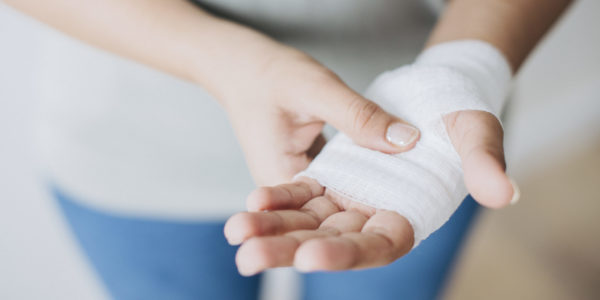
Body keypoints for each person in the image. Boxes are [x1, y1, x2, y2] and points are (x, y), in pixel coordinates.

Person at [3, 0, 572, 299]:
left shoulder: (425, 158)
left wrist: (462, 68)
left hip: (422, 159)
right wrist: (217, 57)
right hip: (132, 149)